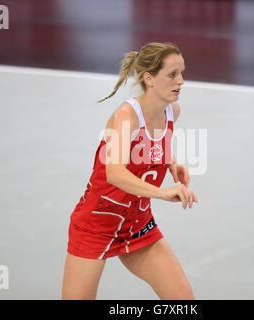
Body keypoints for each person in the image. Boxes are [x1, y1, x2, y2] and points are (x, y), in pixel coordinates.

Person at [61, 42, 198, 300]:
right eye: (172, 74)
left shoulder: (172, 111)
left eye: (181, 73)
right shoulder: (127, 116)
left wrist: (171, 163)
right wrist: (162, 193)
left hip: (138, 223)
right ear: (149, 78)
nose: (181, 81)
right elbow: (114, 172)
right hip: (95, 224)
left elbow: (155, 143)